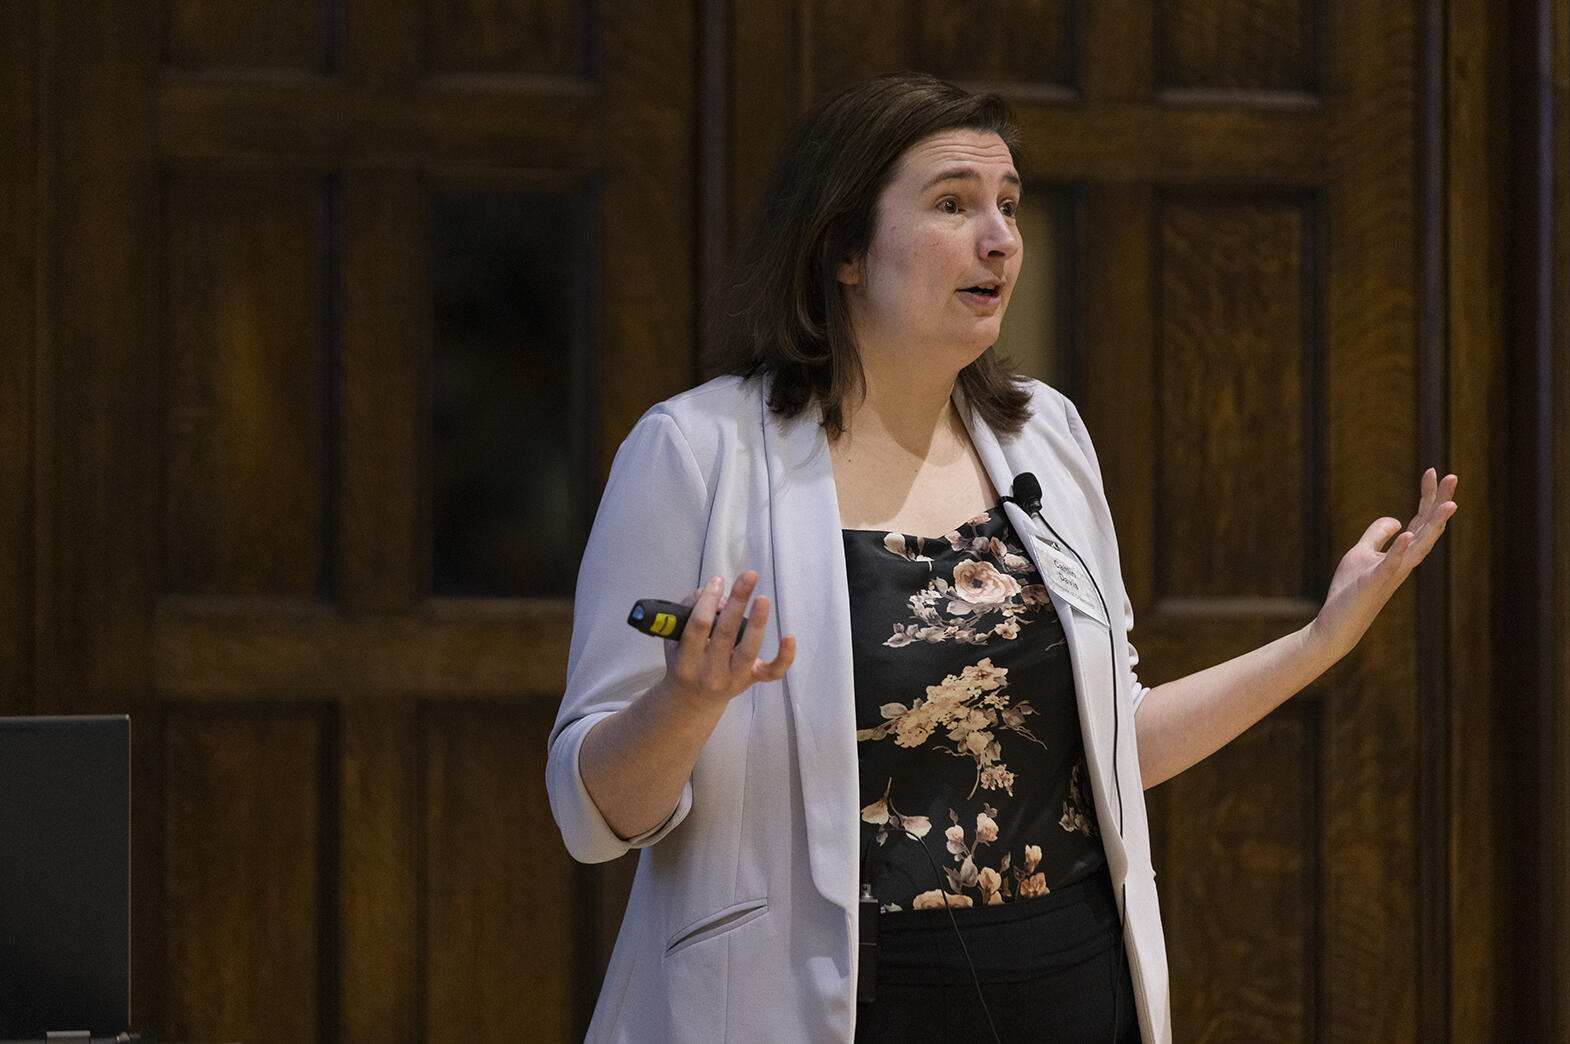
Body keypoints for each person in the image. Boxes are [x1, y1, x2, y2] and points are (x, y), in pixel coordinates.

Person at [546, 72, 1457, 1044]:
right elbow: (590, 811)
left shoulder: (1043, 436)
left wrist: (1320, 641)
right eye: (952, 203)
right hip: (822, 997)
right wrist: (687, 698)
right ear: (844, 247)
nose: (999, 238)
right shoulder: (698, 453)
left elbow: (1115, 747)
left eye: (1008, 206)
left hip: (1067, 975)